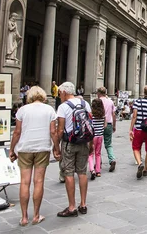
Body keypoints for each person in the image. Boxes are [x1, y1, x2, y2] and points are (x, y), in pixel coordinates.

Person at [9, 86, 58, 226]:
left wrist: (12, 149)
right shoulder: (49, 110)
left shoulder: (22, 110)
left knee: (24, 182)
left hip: (25, 148)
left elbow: (17, 132)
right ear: (43, 96)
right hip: (42, 148)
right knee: (39, 181)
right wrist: (56, 148)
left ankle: (24, 217)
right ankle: (36, 215)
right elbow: (53, 132)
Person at [55, 82, 92, 217]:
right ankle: (83, 204)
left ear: (64, 92)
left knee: (69, 173)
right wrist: (91, 144)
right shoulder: (85, 104)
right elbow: (89, 125)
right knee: (82, 172)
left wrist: (56, 147)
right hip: (84, 142)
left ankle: (72, 207)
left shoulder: (63, 107)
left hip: (69, 143)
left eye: (60, 93)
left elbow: (60, 130)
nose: (59, 96)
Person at [129, 85, 147, 179]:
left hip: (138, 128)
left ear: (144, 92)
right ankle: (145, 169)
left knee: (136, 148)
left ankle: (139, 163)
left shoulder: (138, 102)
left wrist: (131, 128)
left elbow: (134, 116)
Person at [95, 87, 117, 172]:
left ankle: (98, 162)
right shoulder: (110, 101)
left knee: (97, 145)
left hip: (98, 124)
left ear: (98, 93)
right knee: (108, 144)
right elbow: (113, 115)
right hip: (108, 124)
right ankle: (112, 159)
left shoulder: (97, 102)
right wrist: (114, 125)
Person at [88, 98, 105, 180]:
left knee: (90, 153)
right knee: (98, 153)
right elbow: (104, 126)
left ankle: (92, 170)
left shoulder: (91, 115)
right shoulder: (103, 115)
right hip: (100, 136)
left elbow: (89, 126)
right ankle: (98, 171)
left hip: (93, 136)